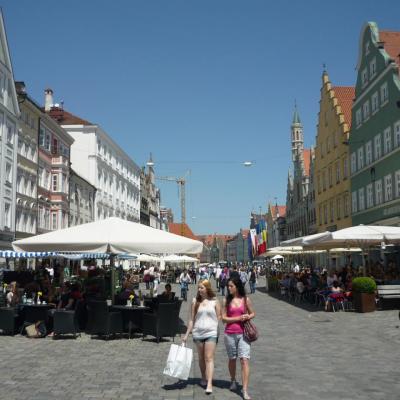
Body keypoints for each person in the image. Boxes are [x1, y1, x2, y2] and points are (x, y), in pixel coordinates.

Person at [182, 280, 221, 395]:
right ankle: (203, 376)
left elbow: (219, 317)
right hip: (198, 332)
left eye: (202, 288)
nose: (199, 290)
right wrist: (186, 334)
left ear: (207, 288)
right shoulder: (195, 302)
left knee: (209, 357)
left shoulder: (215, 301)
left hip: (211, 333)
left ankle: (209, 383)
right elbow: (191, 320)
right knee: (201, 358)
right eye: (199, 288)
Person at [222, 277, 255, 400]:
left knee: (244, 360)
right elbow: (223, 318)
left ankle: (245, 390)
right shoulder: (226, 300)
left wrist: (248, 316)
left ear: (237, 286)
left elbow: (253, 313)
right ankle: (233, 380)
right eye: (228, 286)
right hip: (229, 333)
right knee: (232, 359)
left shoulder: (245, 299)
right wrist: (237, 319)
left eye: (231, 286)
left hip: (244, 334)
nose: (229, 288)